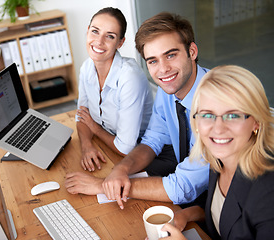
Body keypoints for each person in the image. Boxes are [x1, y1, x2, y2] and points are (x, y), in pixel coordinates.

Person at [65, 12, 209, 208]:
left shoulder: (215, 106)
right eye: (153, 61)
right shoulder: (169, 90)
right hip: (194, 196)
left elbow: (184, 187)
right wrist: (121, 170)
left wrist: (104, 185)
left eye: (171, 55)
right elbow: (154, 138)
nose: (163, 69)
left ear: (192, 52)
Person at [161, 65, 274, 239]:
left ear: (256, 122)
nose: (218, 129)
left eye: (233, 115)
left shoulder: (268, 190)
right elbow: (226, 215)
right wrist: (186, 214)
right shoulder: (221, 157)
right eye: (207, 115)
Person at [75, 7, 153, 172]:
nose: (99, 41)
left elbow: (126, 148)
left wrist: (94, 128)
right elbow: (82, 117)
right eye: (95, 31)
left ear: (120, 43)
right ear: (87, 31)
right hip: (107, 145)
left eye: (110, 36)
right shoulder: (87, 68)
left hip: (142, 154)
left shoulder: (129, 78)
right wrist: (87, 146)